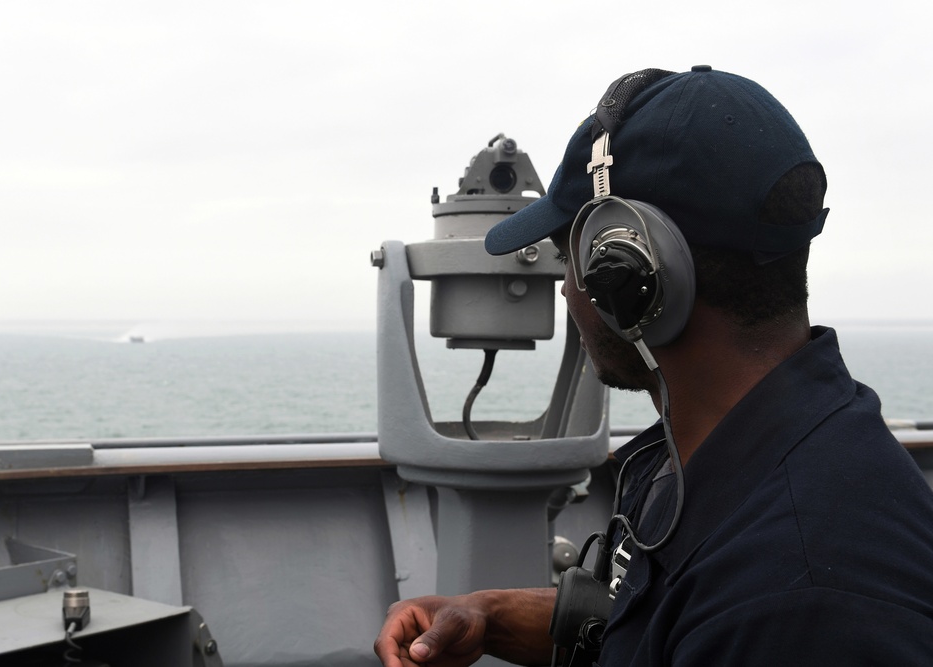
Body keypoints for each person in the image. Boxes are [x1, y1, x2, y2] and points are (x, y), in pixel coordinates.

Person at [374, 66, 933, 666]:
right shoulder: (721, 454)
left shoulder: (801, 598)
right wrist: (490, 613)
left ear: (635, 277)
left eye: (573, 256)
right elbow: (662, 618)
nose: (566, 289)